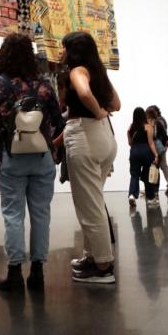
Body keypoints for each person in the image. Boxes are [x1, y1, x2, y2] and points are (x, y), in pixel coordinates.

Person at [0, 34, 65, 292]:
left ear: (4, 55)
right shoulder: (44, 85)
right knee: (41, 214)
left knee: (13, 214)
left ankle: (15, 272)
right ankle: (38, 272)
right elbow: (58, 120)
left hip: (11, 157)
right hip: (42, 157)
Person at [60, 32, 121, 284]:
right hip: (105, 138)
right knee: (93, 202)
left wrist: (96, 111)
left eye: (64, 48)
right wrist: (102, 112)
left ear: (73, 51)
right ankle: (93, 255)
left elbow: (84, 93)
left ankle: (103, 266)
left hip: (85, 136)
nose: (61, 53)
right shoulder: (100, 72)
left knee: (89, 205)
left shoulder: (77, 71)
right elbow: (117, 104)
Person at [127, 107, 158, 207]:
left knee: (134, 174)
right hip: (146, 151)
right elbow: (151, 143)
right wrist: (156, 154)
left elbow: (130, 143)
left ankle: (132, 195)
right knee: (147, 174)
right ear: (144, 115)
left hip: (134, 151)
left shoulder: (130, 127)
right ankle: (150, 198)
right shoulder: (148, 127)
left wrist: (135, 147)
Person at [146, 106, 168, 198]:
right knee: (159, 167)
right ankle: (162, 187)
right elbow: (165, 135)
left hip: (158, 147)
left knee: (158, 167)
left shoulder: (158, 122)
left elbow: (164, 135)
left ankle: (159, 188)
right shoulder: (159, 121)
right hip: (159, 147)